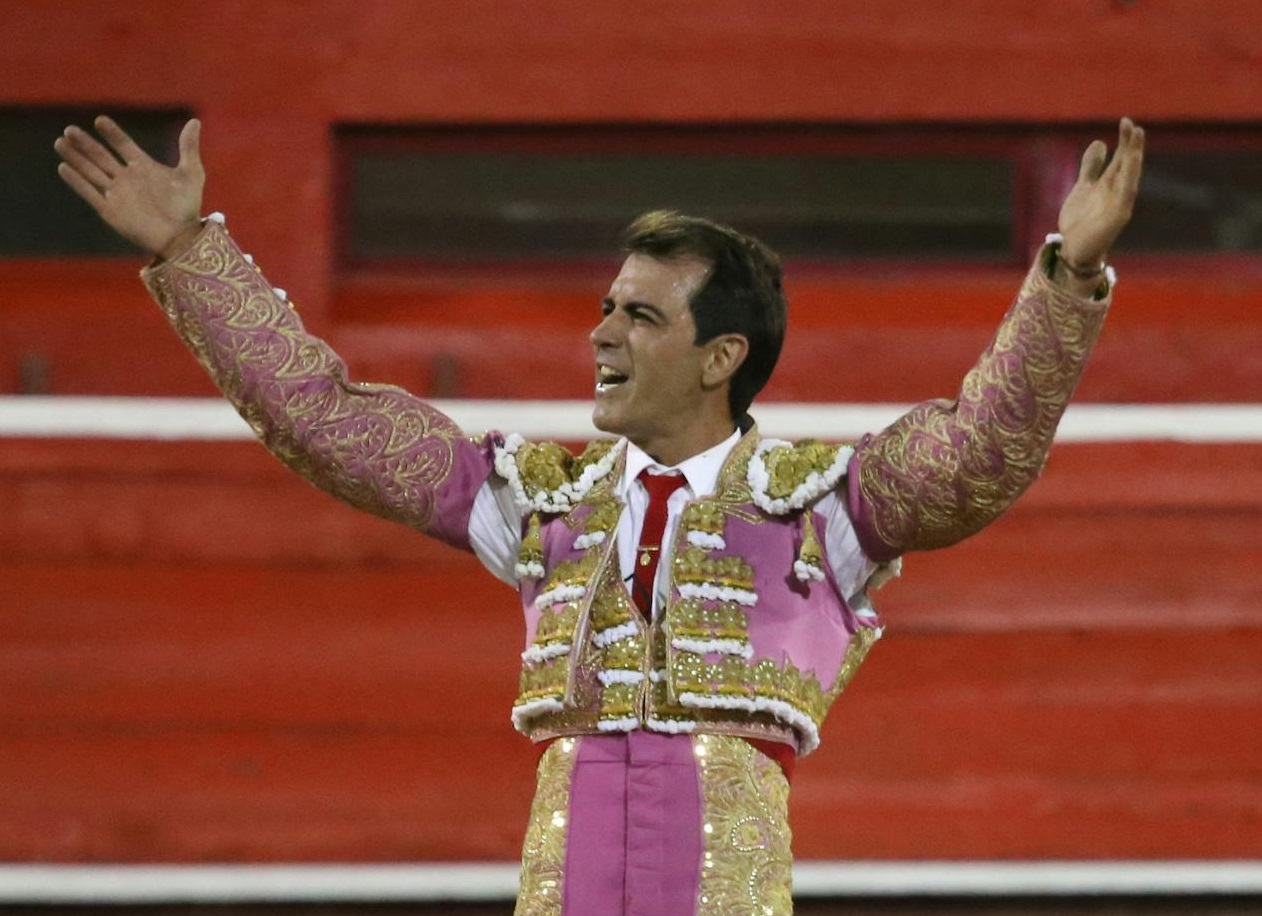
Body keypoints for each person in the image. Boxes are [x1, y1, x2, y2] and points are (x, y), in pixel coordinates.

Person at [55, 115, 1144, 915]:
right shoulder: (542, 505)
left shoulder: (819, 508)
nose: (601, 333)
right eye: (603, 306)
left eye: (639, 313)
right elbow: (325, 422)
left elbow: (981, 452)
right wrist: (192, 253)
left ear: (721, 356)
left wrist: (1068, 273)